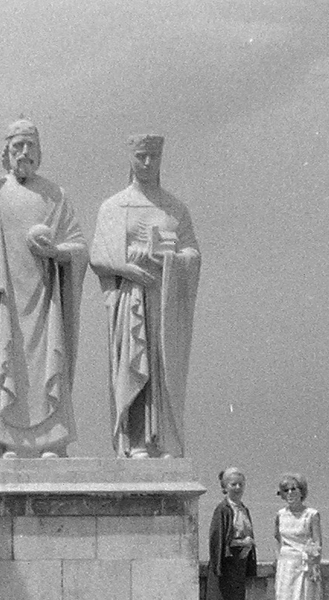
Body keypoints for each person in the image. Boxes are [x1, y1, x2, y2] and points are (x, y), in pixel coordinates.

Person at [0, 118, 87, 459]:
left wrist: (56, 252)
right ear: (6, 152)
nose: (24, 153)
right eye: (17, 146)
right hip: (8, 300)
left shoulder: (54, 196)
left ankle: (51, 441)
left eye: (30, 146)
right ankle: (9, 442)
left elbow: (79, 247)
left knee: (49, 363)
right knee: (8, 364)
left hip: (45, 300)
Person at [89, 134, 201, 458]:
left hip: (164, 301)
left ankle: (163, 441)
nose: (148, 163)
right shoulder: (113, 206)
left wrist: (168, 258)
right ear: (131, 158)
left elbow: (193, 253)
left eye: (154, 156)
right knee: (134, 364)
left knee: (163, 369)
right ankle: (137, 440)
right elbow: (98, 257)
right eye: (141, 156)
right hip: (131, 298)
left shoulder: (175, 208)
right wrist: (128, 267)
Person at [207, 467, 256, 600]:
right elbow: (219, 541)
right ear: (225, 487)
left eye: (241, 484)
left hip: (240, 567)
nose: (237, 488)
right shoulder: (222, 509)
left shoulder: (244, 509)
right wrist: (243, 543)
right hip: (226, 566)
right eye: (233, 484)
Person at [272, 473, 323, 600]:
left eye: (293, 489)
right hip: (285, 567)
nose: (290, 493)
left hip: (303, 566)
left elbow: (317, 542)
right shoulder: (280, 515)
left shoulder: (312, 515)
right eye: (285, 490)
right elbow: (277, 539)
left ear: (301, 491)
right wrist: (278, 559)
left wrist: (315, 563)